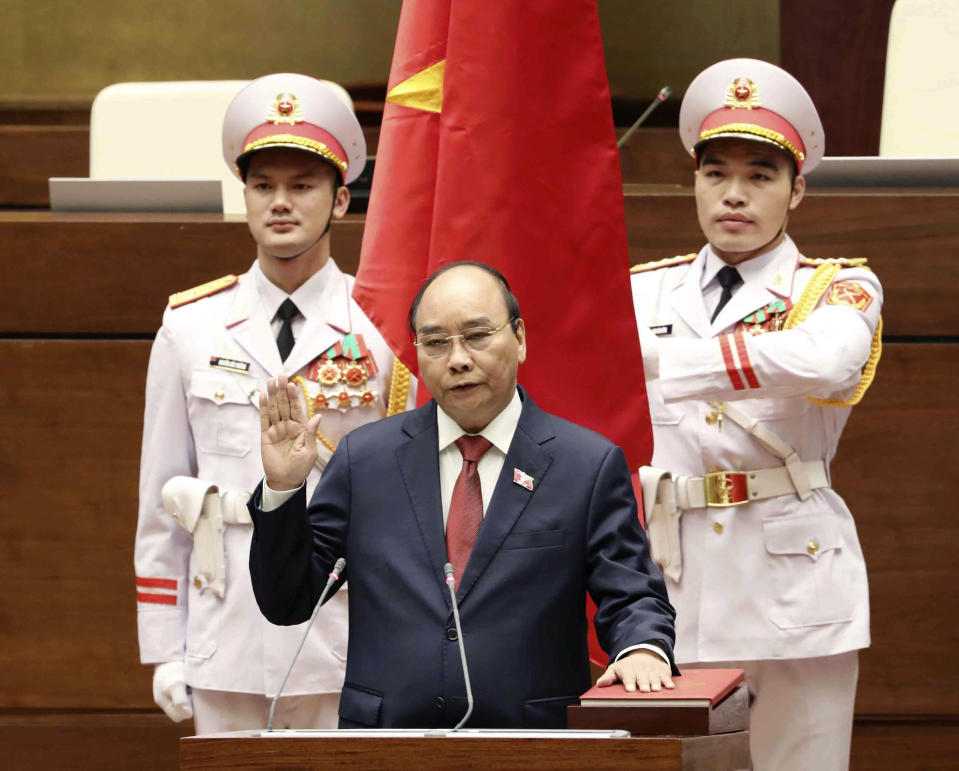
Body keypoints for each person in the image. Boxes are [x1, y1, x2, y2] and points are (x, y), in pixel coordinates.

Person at [249, 261, 678, 729]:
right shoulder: (364, 461)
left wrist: (642, 649)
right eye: (435, 343)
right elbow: (288, 601)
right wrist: (284, 489)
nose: (458, 359)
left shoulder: (586, 465)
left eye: (477, 335)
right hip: (387, 744)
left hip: (535, 743)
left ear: (520, 337)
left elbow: (633, 594)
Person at [134, 73, 413, 734]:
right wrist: (163, 649)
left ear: (342, 199)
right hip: (221, 627)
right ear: (245, 196)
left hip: (341, 631)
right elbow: (161, 499)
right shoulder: (191, 327)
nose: (279, 202)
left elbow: (402, 504)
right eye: (263, 185)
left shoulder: (383, 327)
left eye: (302, 185)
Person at [631, 59, 882, 770]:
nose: (733, 194)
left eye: (760, 175)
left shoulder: (837, 287)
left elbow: (824, 361)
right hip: (671, 576)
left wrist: (661, 364)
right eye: (715, 173)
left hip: (795, 581)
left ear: (796, 189)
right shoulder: (642, 292)